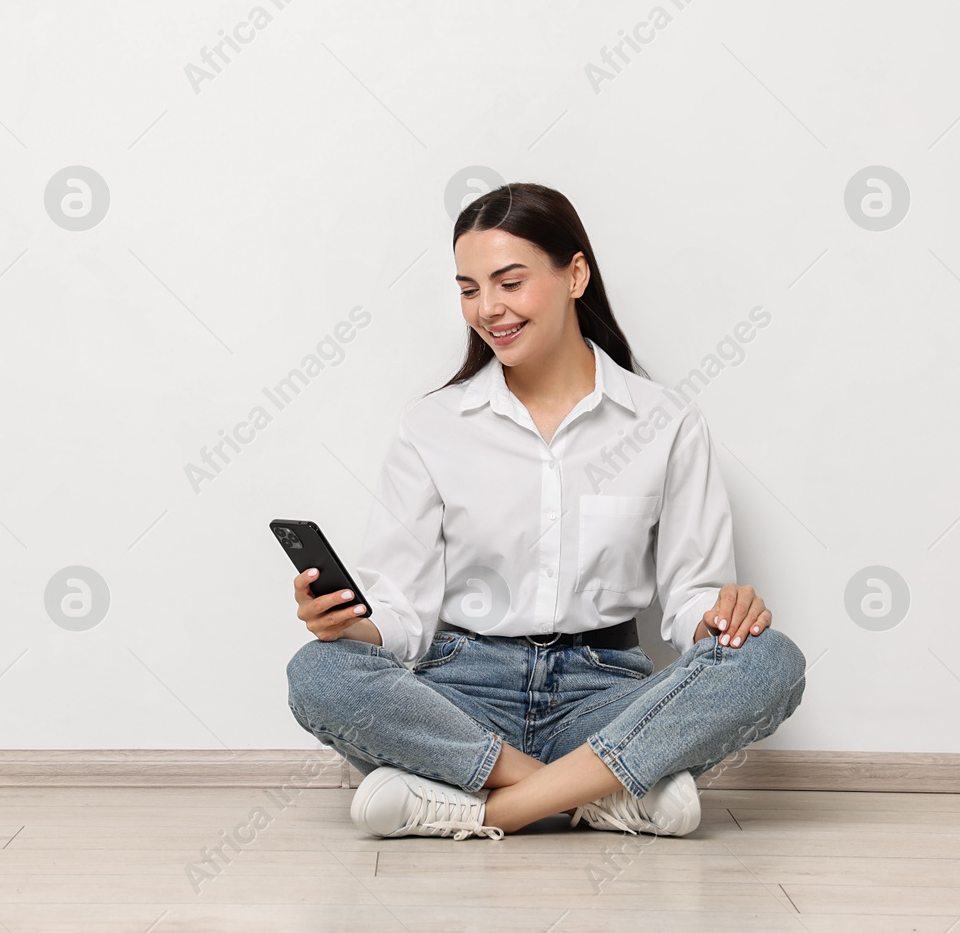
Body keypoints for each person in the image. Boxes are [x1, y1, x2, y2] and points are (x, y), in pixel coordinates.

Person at [285, 182, 807, 841]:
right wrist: (343, 624)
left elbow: (691, 599)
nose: (488, 308)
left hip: (607, 696)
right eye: (470, 288)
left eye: (509, 282)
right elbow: (401, 614)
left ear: (575, 274)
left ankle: (485, 807)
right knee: (317, 671)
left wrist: (722, 617)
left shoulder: (666, 422)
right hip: (465, 696)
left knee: (771, 660)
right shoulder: (432, 426)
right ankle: (604, 793)